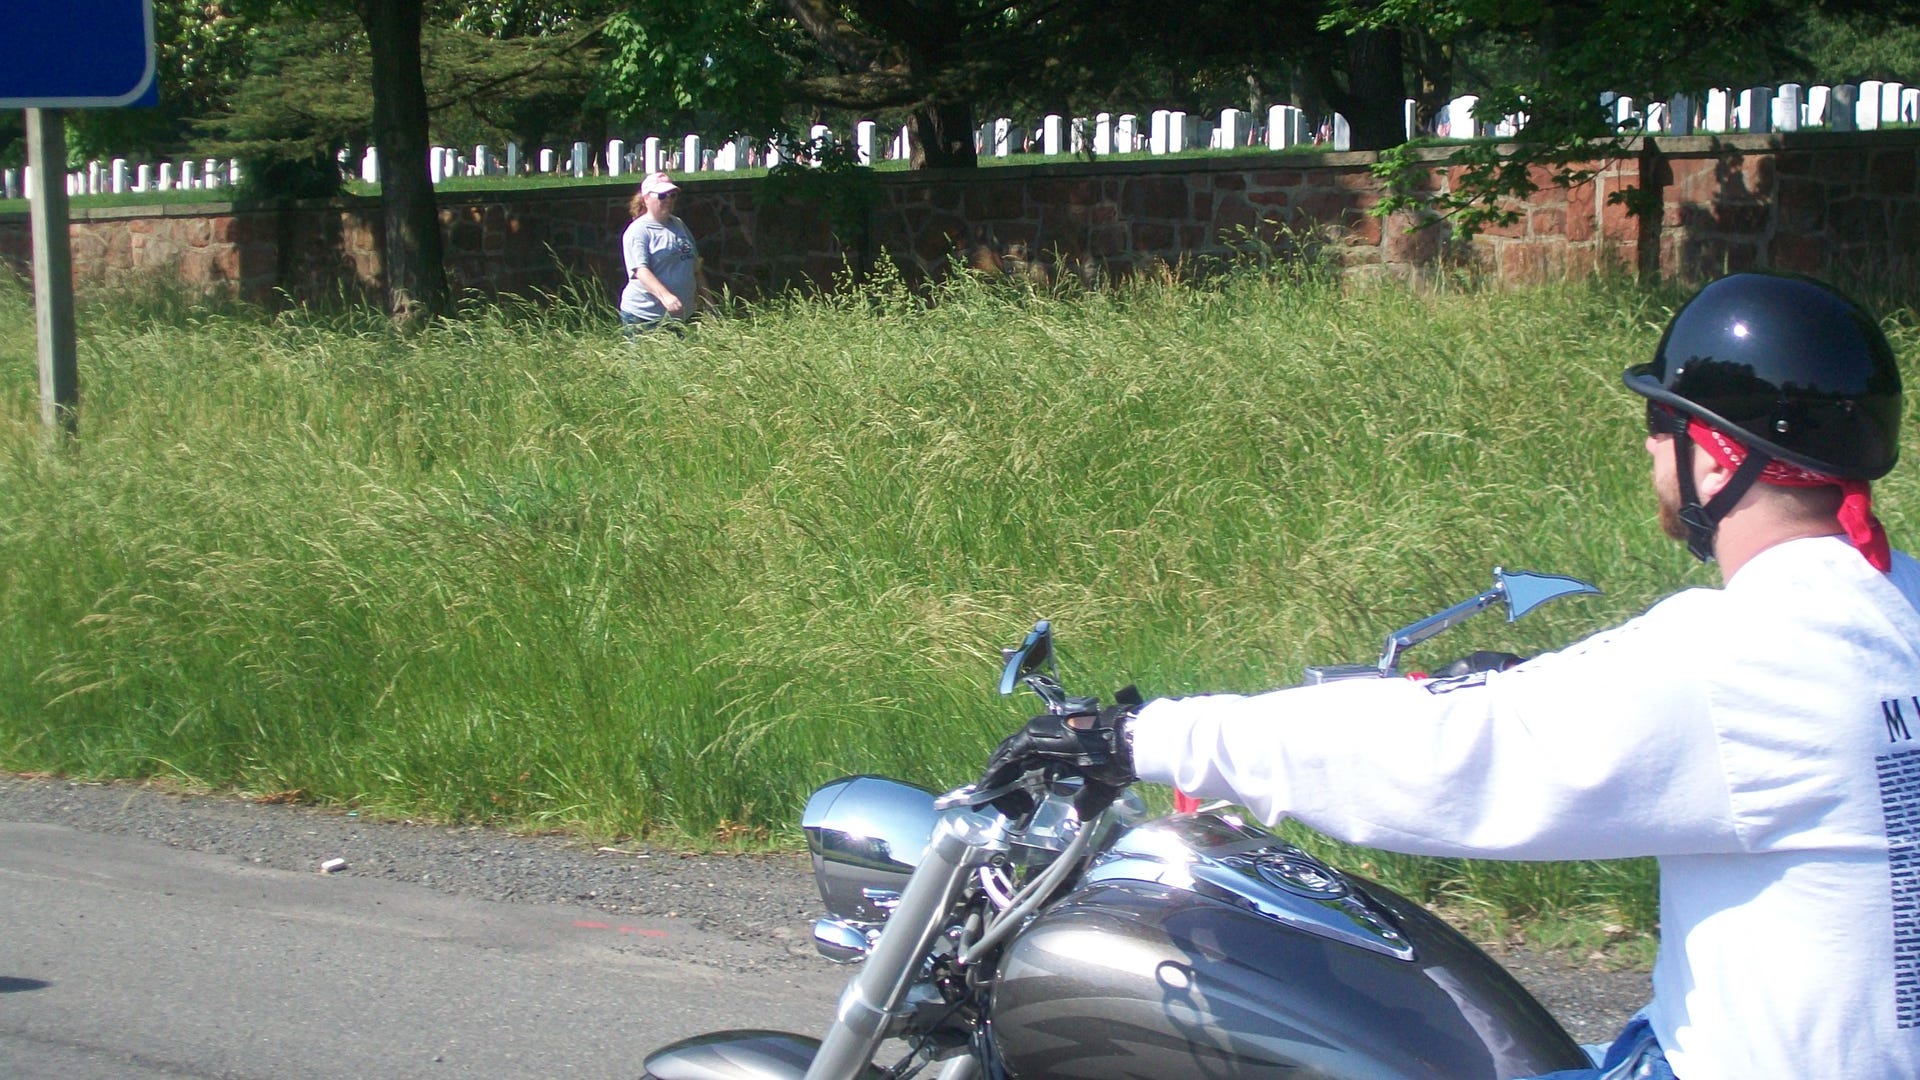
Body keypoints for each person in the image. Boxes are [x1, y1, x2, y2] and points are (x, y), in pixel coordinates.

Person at [984, 272, 1919, 1079]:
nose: (1646, 447)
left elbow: (1449, 757)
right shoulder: (1890, 608)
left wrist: (1144, 737)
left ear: (1719, 452)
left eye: (1659, 420)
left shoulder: (1741, 654)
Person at [618, 171, 705, 335]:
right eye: (662, 195)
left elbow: (695, 266)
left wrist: (709, 302)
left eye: (672, 195)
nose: (669, 200)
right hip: (645, 317)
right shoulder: (638, 230)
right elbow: (640, 271)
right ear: (646, 199)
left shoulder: (678, 224)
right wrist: (666, 296)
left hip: (680, 317)